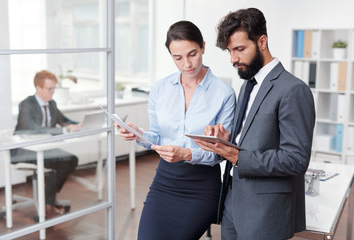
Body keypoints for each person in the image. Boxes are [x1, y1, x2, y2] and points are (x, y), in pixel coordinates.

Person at [194, 8, 316, 240]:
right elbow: (249, 139)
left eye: (239, 49)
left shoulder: (293, 90)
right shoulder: (247, 85)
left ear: (262, 41)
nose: (233, 59)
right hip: (232, 202)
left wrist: (237, 156)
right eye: (230, 51)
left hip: (266, 212)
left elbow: (296, 159)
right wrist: (224, 139)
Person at [115, 21, 236, 240]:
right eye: (177, 58)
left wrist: (187, 154)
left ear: (203, 47)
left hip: (201, 188)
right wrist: (138, 133)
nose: (186, 64)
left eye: (192, 54)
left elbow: (222, 152)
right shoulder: (160, 89)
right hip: (164, 183)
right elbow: (158, 137)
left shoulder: (224, 94)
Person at [11, 70, 81, 218]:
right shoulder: (26, 104)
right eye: (50, 89)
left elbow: (64, 120)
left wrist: (80, 125)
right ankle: (48, 204)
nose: (53, 92)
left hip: (44, 148)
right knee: (62, 162)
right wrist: (64, 130)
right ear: (38, 88)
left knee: (71, 159)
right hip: (25, 150)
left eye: (54, 88)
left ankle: (48, 200)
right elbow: (35, 130)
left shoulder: (52, 104)